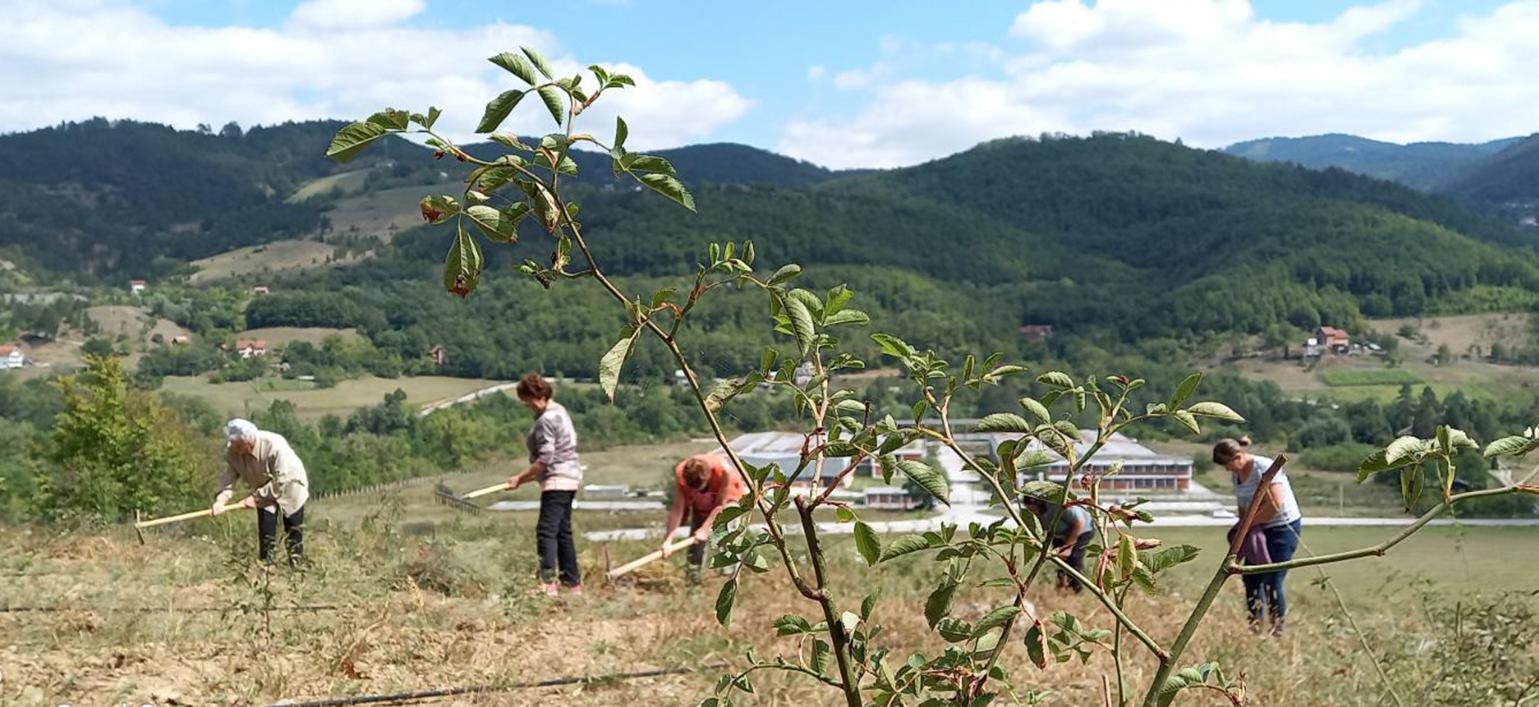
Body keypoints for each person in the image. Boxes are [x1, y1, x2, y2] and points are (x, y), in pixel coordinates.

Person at [1213, 436, 1302, 636]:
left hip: (1282, 528)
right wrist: (1242, 530)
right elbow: (1243, 505)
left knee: (1273, 578)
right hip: (1257, 530)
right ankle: (1255, 627)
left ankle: (1277, 630)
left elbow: (1274, 505)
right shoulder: (1237, 475)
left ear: (1237, 457)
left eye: (1227, 464)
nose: (1227, 470)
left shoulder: (1264, 467)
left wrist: (1247, 524)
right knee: (1250, 578)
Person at [506, 373, 583, 597]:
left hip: (557, 480)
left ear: (537, 396)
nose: (527, 406)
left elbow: (545, 458)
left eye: (527, 401)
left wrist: (519, 478)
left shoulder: (547, 419)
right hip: (570, 477)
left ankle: (548, 583)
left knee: (546, 531)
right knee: (562, 531)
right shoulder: (560, 411)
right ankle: (572, 582)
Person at [211, 418, 310, 566]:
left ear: (248, 442)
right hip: (262, 490)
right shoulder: (232, 452)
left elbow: (280, 480)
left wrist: (254, 497)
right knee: (266, 531)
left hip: (290, 486)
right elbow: (229, 479)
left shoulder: (274, 446)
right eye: (232, 443)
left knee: (293, 530)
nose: (234, 448)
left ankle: (296, 568)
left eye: (238, 445)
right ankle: (268, 568)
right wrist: (220, 502)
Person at [660, 454, 747, 582]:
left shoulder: (723, 471)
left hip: (728, 501)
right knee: (696, 540)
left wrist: (705, 530)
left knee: (727, 532)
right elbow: (677, 508)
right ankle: (693, 579)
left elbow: (720, 505)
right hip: (702, 504)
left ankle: (729, 579)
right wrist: (668, 541)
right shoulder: (681, 473)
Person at [1023, 495, 1095, 593]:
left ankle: (1075, 590)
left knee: (1073, 559)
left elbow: (1079, 522)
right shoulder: (1037, 515)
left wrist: (1068, 548)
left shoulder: (1057, 506)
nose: (1031, 511)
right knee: (1059, 560)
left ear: (1038, 504)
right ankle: (1061, 588)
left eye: (1031, 508)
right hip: (1059, 535)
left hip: (1080, 531)